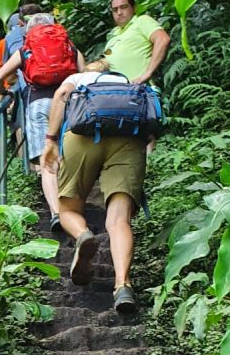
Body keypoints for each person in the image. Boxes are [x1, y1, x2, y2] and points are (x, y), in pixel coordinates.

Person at [41, 60, 155, 316]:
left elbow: (61, 95)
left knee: (68, 207)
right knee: (118, 220)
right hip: (129, 137)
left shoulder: (79, 79)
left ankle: (82, 234)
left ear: (89, 71)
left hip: (83, 135)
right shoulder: (129, 84)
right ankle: (123, 285)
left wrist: (50, 140)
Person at [0, 10, 84, 232]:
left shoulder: (25, 50)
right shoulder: (70, 48)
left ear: (29, 31)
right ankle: (74, 210)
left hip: (39, 105)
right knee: (71, 157)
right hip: (69, 104)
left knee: (47, 163)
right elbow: (85, 77)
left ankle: (56, 213)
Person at [103, 0, 170, 82]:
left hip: (139, 89)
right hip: (116, 92)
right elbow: (106, 61)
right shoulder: (113, 34)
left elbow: (162, 39)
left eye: (123, 7)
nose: (119, 13)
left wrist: (148, 73)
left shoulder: (141, 21)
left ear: (134, 8)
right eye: (115, 10)